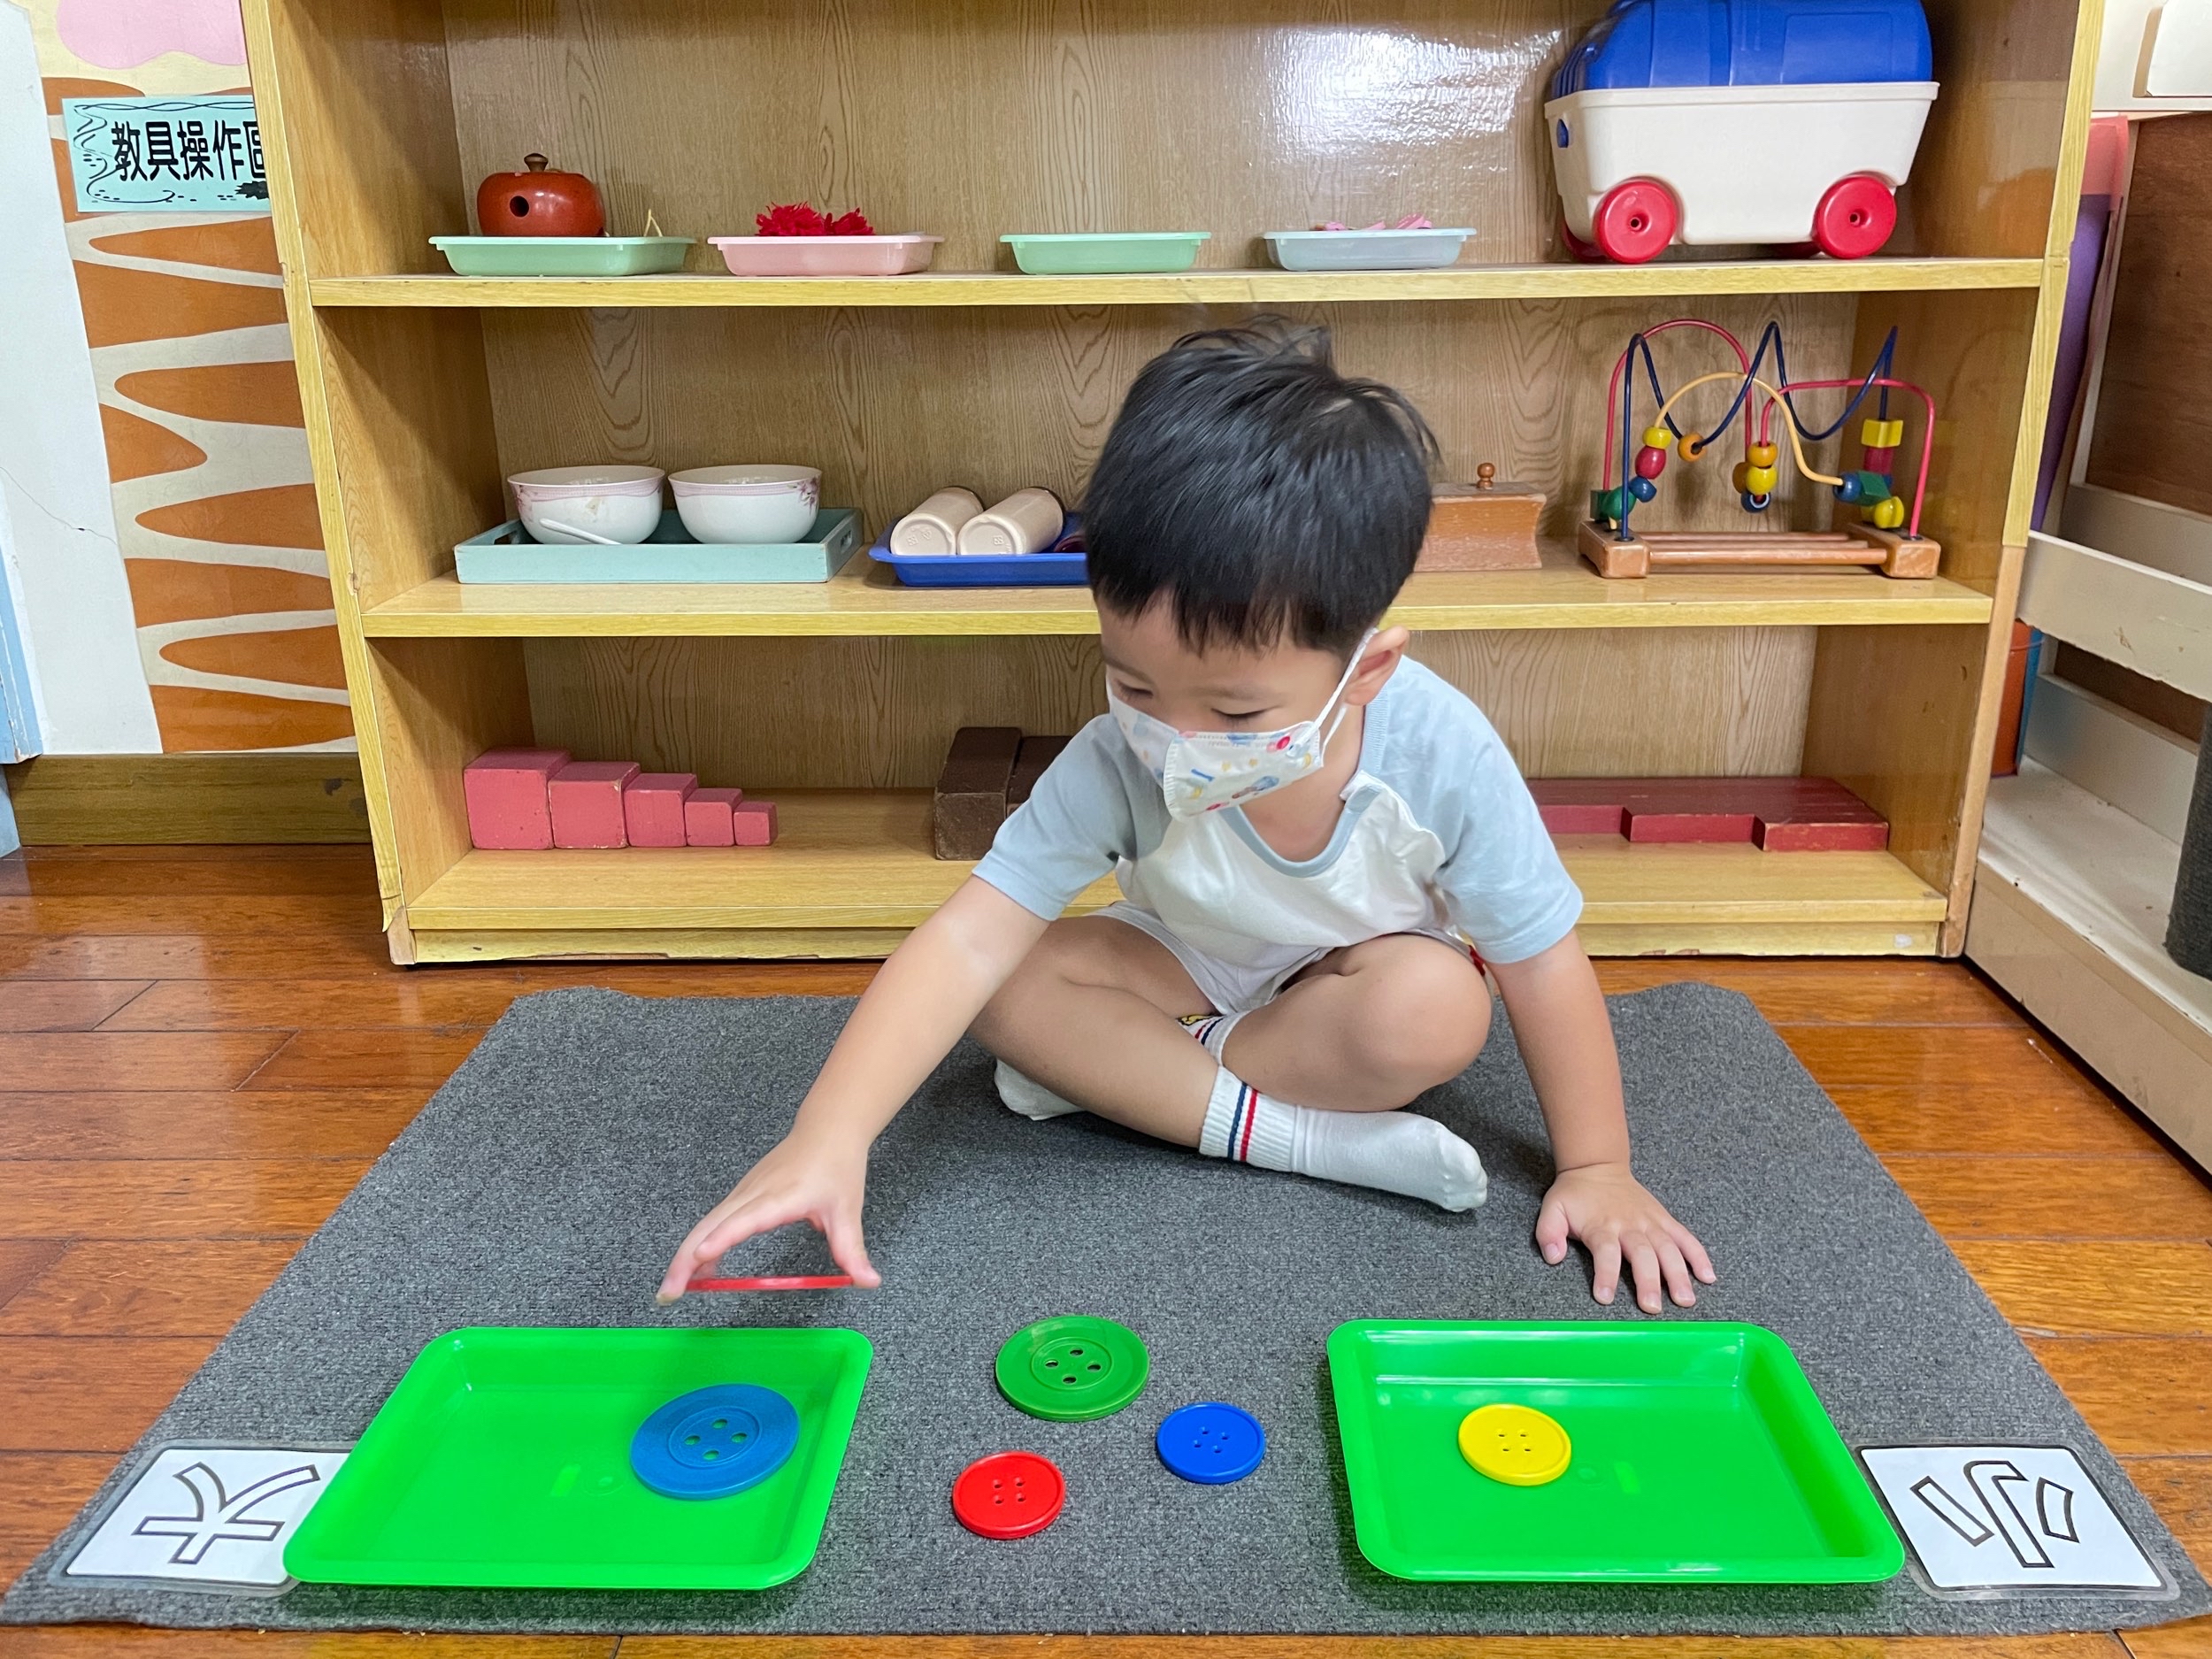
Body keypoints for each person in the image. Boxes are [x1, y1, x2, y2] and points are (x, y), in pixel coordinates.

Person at [659, 320, 1714, 1315]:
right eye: (1134, 684)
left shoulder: (1444, 755)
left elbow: (1540, 961)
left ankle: (1143, 1075)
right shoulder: (1114, 756)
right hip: (1184, 960)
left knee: (1440, 1011)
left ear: (1367, 671)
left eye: (1236, 713)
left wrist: (1597, 1166)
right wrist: (828, 1135)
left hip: (1352, 979)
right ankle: (1300, 1137)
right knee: (1006, 984)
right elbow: (972, 935)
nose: (1173, 737)